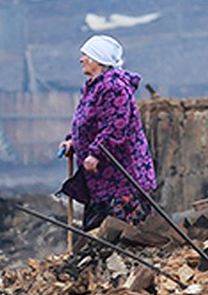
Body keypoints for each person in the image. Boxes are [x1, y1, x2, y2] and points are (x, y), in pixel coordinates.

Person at [58, 34, 156, 231]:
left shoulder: (113, 88)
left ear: (98, 60)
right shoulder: (95, 87)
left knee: (120, 233)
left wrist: (96, 153)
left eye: (86, 55)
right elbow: (87, 122)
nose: (81, 59)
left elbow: (115, 126)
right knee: (98, 234)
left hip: (120, 177)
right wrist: (73, 142)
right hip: (102, 178)